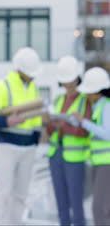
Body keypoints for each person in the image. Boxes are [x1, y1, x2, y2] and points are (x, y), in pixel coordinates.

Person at [0, 47, 43, 225]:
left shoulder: (34, 89)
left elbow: (36, 118)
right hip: (7, 145)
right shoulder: (3, 86)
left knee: (21, 194)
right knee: (4, 192)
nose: (33, 76)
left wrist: (35, 141)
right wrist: (7, 122)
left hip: (28, 147)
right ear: (20, 70)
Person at [46, 56, 91, 226]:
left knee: (76, 204)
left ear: (76, 80)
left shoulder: (84, 101)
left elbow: (84, 131)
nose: (68, 86)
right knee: (61, 204)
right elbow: (50, 131)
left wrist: (63, 125)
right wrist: (50, 123)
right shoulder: (58, 100)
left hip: (74, 159)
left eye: (70, 81)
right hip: (56, 155)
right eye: (65, 82)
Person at [73, 67, 110, 226]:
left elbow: (108, 134)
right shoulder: (97, 106)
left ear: (97, 91)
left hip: (106, 163)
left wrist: (84, 122)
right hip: (99, 162)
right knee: (104, 207)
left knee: (99, 208)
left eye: (88, 92)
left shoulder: (107, 107)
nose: (86, 95)